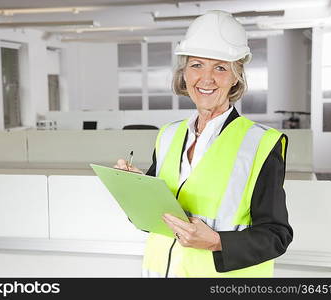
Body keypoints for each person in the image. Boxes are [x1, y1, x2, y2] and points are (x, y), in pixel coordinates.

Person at [114, 10, 293, 278]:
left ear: (236, 76)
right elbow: (152, 221)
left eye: (220, 67)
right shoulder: (168, 136)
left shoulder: (260, 144)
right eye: (196, 65)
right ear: (184, 73)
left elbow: (277, 235)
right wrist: (136, 190)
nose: (206, 79)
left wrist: (217, 242)